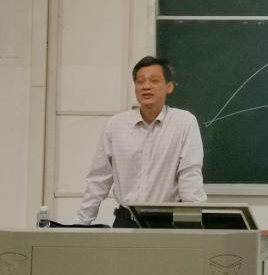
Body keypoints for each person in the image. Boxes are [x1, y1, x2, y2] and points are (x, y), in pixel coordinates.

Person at [77, 56, 206, 227]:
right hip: (126, 222)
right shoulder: (116, 125)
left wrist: (197, 224)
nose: (146, 86)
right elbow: (99, 179)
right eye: (140, 81)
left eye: (154, 80)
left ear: (169, 87)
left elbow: (190, 175)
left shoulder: (184, 123)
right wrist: (82, 223)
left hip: (167, 222)